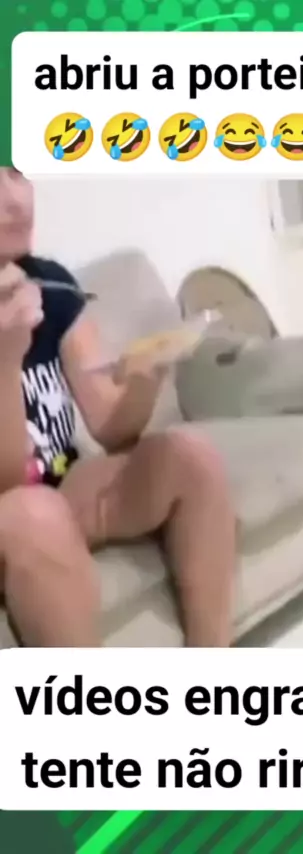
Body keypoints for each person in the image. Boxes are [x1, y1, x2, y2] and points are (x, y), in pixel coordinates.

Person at [0, 167, 235, 647]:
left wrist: (146, 374)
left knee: (190, 457)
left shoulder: (49, 284)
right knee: (35, 514)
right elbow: (6, 480)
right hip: (14, 509)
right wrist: (6, 358)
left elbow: (111, 427)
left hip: (58, 489)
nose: (16, 200)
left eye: (16, 172)